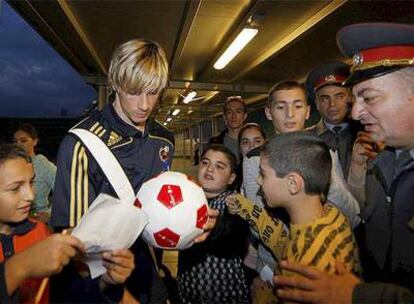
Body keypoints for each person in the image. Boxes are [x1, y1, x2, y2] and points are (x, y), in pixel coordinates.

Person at [50, 38, 217, 303]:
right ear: (115, 83)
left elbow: (158, 209)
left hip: (150, 276)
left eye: (153, 92)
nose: (144, 104)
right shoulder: (81, 144)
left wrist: (189, 224)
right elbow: (70, 240)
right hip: (100, 286)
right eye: (134, 91)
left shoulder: (163, 140)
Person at [274, 22, 414, 303]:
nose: (356, 111)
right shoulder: (383, 160)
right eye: (356, 98)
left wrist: (357, 295)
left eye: (368, 98)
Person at [227, 132, 360, 303]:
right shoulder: (329, 216)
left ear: (292, 184)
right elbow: (283, 241)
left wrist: (264, 298)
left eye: (263, 174)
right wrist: (244, 207)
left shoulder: (309, 267)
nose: (259, 181)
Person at [0, 143, 134, 303]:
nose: (30, 195)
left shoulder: (39, 232)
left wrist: (107, 283)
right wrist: (20, 266)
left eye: (31, 183)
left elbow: (66, 293)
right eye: (15, 188)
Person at [177, 144, 250, 304]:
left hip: (228, 296)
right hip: (187, 293)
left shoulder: (233, 203)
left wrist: (218, 226)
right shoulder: (187, 200)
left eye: (219, 166)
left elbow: (237, 234)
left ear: (231, 178)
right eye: (205, 163)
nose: (209, 169)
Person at [306, 62, 359, 178]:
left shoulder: (366, 136)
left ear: (351, 97)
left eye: (339, 96)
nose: (332, 104)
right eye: (325, 98)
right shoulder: (305, 140)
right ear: (317, 103)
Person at [14, 123, 56, 222]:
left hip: (36, 220)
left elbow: (65, 190)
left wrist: (50, 213)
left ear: (35, 141)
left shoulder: (43, 165)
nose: (18, 144)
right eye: (15, 141)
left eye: (23, 140)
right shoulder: (12, 164)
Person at [209, 96, 248, 164]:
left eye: (238, 111)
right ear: (224, 117)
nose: (233, 116)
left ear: (245, 116)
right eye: (229, 112)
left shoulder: (255, 142)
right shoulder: (215, 142)